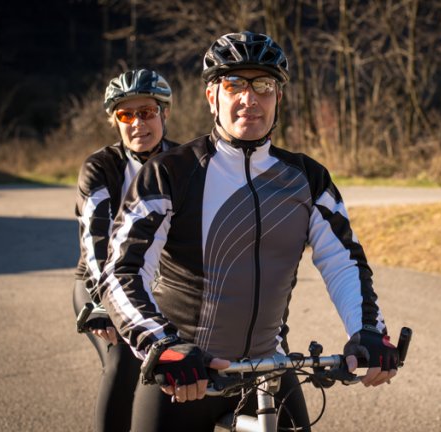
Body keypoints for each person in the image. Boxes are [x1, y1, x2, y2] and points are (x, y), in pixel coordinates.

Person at [98, 31, 399, 432]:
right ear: (212, 97)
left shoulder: (306, 178)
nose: (249, 98)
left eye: (264, 85)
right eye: (234, 84)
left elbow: (343, 261)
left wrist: (368, 332)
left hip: (267, 368)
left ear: (279, 98)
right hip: (184, 374)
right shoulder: (170, 173)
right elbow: (122, 271)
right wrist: (161, 344)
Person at [73, 68, 179, 432]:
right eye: (126, 115)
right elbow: (94, 238)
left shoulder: (186, 161)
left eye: (147, 112)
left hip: (165, 283)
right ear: (115, 121)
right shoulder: (100, 167)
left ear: (164, 113)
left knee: (180, 356)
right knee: (123, 362)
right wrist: (104, 302)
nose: (138, 123)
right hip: (99, 282)